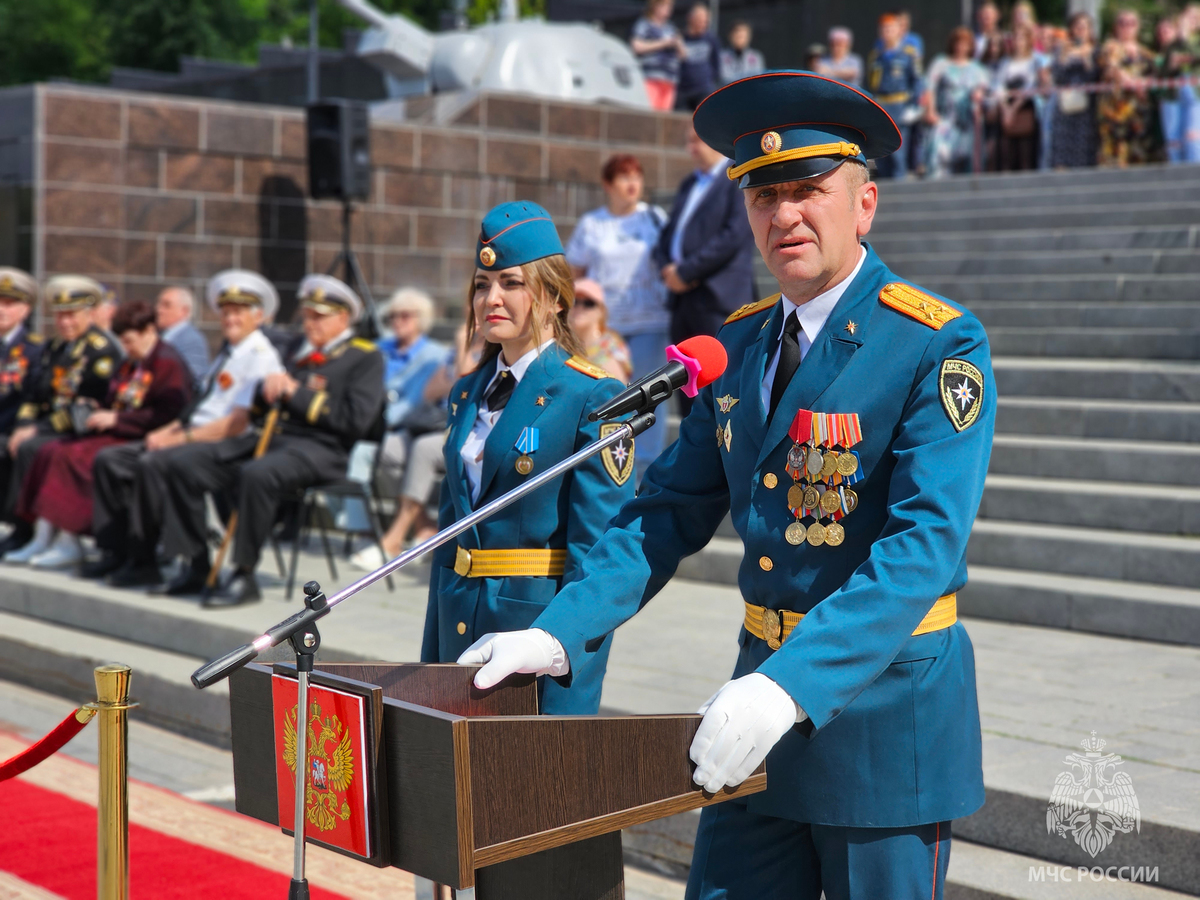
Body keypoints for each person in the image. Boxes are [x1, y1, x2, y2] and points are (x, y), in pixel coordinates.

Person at [460, 70, 995, 899]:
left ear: (865, 204)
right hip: (754, 713)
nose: (783, 215)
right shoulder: (739, 346)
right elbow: (662, 513)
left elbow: (924, 546)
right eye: (762, 195)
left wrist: (788, 688)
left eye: (810, 189)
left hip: (883, 720)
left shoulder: (933, 341)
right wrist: (558, 632)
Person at [420, 200, 636, 715]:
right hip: (457, 617)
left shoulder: (591, 394)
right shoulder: (467, 391)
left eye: (511, 283)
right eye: (480, 285)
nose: (491, 298)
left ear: (554, 296)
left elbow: (597, 552)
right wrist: (431, 657)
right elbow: (451, 535)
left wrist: (570, 679)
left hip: (534, 634)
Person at [153, 274, 385, 606]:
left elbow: (354, 421)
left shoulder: (364, 357)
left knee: (257, 474)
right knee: (184, 463)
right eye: (306, 316)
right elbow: (262, 409)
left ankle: (244, 574)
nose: (309, 324)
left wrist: (295, 392)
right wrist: (265, 392)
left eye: (318, 317)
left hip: (323, 449)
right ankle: (196, 563)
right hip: (276, 441)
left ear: (343, 319)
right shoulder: (295, 351)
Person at [83, 270, 284, 588]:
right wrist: (168, 431)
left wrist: (181, 437)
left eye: (239, 313)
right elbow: (197, 405)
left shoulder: (259, 356)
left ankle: (186, 562)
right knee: (111, 460)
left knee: (157, 464)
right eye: (226, 312)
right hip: (195, 432)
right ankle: (121, 551)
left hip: (226, 442)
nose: (230, 319)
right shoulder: (229, 353)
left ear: (258, 317)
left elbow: (237, 423)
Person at [7, 301, 191, 569]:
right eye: (123, 343)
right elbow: (116, 396)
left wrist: (117, 418)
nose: (126, 349)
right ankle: (46, 533)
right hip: (119, 429)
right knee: (51, 450)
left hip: (141, 435)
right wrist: (98, 409)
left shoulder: (166, 362)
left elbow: (166, 415)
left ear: (149, 330)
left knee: (75, 456)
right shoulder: (134, 361)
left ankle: (72, 537)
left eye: (130, 341)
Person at [565, 153, 670, 476]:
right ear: (607, 185)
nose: (632, 184)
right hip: (605, 329)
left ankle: (645, 474)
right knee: (607, 399)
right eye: (624, 177)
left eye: (636, 176)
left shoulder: (654, 217)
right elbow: (574, 271)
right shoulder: (593, 224)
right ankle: (606, 469)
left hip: (650, 322)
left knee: (649, 398)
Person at [0, 276, 120, 558]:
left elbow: (86, 405)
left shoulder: (99, 350)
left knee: (35, 448)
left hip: (83, 428)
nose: (65, 323)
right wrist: (26, 424)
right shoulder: (57, 347)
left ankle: (41, 530)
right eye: (60, 316)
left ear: (89, 314)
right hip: (51, 425)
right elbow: (37, 394)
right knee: (25, 444)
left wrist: (37, 429)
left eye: (72, 316)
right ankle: (34, 530)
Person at [350, 322, 485, 571]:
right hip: (433, 426)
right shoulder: (456, 355)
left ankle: (394, 538)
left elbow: (463, 384)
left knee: (422, 449)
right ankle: (422, 527)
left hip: (469, 435)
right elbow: (430, 392)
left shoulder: (490, 351)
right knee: (385, 448)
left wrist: (461, 345)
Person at [654, 123, 756, 414]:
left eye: (695, 141)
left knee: (719, 391)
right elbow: (668, 234)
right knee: (684, 385)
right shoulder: (690, 183)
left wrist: (686, 272)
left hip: (716, 299)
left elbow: (733, 235)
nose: (691, 149)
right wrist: (667, 269)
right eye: (688, 142)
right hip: (682, 301)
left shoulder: (735, 177)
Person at [923, 27, 990, 177]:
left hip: (968, 124)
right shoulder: (941, 63)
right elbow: (929, 87)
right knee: (938, 151)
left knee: (970, 158)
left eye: (965, 43)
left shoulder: (978, 70)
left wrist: (979, 95)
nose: (961, 46)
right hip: (945, 120)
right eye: (958, 42)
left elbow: (985, 91)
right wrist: (930, 111)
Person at [1097, 9, 1157, 167]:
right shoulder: (1110, 47)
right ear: (1116, 27)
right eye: (1122, 23)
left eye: (1131, 23)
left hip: (1139, 111)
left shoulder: (1147, 53)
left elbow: (1157, 75)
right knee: (1115, 156)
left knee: (1139, 155)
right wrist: (1131, 81)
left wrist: (1145, 84)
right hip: (1115, 111)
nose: (1127, 27)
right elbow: (1110, 69)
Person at [866, 13, 923, 178]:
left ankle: (900, 187)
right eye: (883, 28)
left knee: (898, 151)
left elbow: (918, 80)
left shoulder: (909, 53)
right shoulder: (876, 55)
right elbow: (872, 82)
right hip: (882, 105)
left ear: (899, 30)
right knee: (882, 152)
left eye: (890, 28)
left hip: (900, 105)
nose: (886, 32)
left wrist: (915, 106)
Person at [1049, 12, 1099, 169]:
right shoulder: (1062, 50)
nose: (1080, 30)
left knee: (1083, 149)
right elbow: (1057, 76)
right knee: (1062, 151)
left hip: (1086, 108)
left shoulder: (1095, 51)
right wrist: (1063, 56)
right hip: (1065, 107)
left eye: (1084, 27)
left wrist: (1087, 59)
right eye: (1077, 27)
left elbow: (1094, 76)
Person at [0, 269, 44, 442]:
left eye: (9, 304)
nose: (1, 310)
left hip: (9, 431)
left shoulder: (35, 349)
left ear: (25, 310)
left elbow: (32, 397)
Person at [994, 26, 1043, 171]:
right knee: (1007, 155)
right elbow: (998, 86)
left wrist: (1014, 109)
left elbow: (1030, 87)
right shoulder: (1005, 62)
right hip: (1007, 110)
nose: (1018, 41)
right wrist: (1005, 109)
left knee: (1026, 155)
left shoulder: (1034, 61)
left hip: (1025, 109)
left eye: (1021, 38)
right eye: (1015, 37)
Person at [569, 279, 633, 382]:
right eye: (575, 302)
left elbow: (618, 389)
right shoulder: (562, 344)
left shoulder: (609, 347)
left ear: (601, 311)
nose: (580, 308)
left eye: (589, 303)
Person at [631, 0, 683, 112]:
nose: (668, 9)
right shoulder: (644, 24)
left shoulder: (671, 28)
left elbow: (683, 55)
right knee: (650, 115)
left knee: (664, 118)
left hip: (670, 79)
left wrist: (679, 44)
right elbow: (636, 46)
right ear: (655, 6)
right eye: (665, 6)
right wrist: (663, 43)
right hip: (651, 77)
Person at [156, 286, 209, 388]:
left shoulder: (191, 339)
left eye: (167, 305)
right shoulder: (161, 334)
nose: (159, 310)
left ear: (184, 311)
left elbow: (194, 379)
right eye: (159, 304)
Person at [676, 3, 723, 111]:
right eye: (700, 19)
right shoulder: (679, 39)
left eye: (706, 20)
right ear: (690, 19)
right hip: (683, 91)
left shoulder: (712, 39)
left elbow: (716, 65)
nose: (703, 23)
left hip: (704, 90)